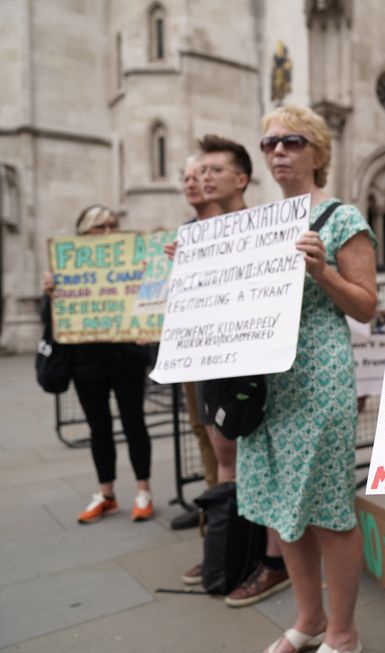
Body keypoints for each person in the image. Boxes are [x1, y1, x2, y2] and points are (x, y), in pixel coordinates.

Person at [239, 104, 377, 653]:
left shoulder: (341, 218)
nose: (278, 151)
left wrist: (321, 272)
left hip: (317, 374)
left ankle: (343, 633)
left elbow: (367, 306)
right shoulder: (258, 222)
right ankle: (309, 619)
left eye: (292, 141)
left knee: (325, 505)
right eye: (269, 142)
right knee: (281, 504)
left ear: (318, 152)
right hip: (267, 378)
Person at [170, 136, 289, 606]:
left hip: (258, 364)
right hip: (212, 360)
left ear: (240, 179)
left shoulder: (266, 225)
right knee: (224, 455)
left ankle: (272, 559)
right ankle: (226, 547)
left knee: (264, 459)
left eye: (212, 170)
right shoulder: (192, 233)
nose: (202, 178)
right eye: (199, 172)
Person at [42, 205, 155, 524]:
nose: (108, 232)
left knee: (135, 424)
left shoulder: (132, 263)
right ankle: (106, 493)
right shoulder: (67, 270)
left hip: (126, 359)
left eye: (112, 225)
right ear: (84, 234)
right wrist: (50, 295)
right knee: (99, 429)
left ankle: (143, 490)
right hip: (86, 363)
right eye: (99, 227)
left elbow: (147, 306)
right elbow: (48, 321)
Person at [170, 155, 221, 531]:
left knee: (224, 435)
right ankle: (211, 505)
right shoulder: (185, 232)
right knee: (200, 427)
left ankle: (227, 516)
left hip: (227, 350)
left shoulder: (237, 224)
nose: (192, 183)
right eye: (186, 178)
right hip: (192, 348)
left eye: (199, 175)